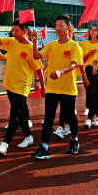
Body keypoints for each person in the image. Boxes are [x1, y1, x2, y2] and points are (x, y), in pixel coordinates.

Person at [31, 14, 83, 159]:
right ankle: (44, 146)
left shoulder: (74, 46)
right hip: (52, 88)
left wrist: (60, 71)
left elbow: (74, 65)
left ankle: (74, 139)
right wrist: (34, 41)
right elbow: (36, 56)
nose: (57, 28)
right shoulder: (52, 45)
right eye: (56, 26)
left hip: (68, 88)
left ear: (68, 27)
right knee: (48, 117)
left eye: (61, 25)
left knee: (71, 116)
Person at [0, 22, 45, 155]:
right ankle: (29, 137)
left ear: (25, 31)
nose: (13, 33)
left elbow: (39, 70)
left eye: (16, 30)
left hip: (22, 87)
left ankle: (5, 143)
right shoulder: (12, 42)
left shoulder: (30, 49)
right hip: (10, 84)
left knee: (14, 114)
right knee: (21, 115)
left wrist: (42, 86)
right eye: (12, 30)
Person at [80, 24, 98, 129]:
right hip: (87, 71)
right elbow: (82, 60)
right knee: (89, 94)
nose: (93, 32)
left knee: (94, 93)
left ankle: (90, 118)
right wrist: (88, 54)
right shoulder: (84, 44)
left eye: (95, 30)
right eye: (91, 30)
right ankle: (97, 115)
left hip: (97, 71)